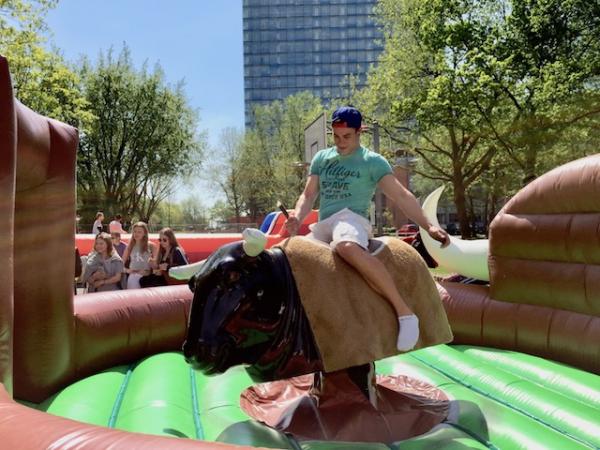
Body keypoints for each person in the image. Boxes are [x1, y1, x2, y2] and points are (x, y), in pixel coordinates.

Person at [284, 106, 450, 352]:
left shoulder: (372, 161)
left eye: (347, 137)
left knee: (345, 245)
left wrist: (428, 226)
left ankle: (404, 313)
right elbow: (308, 196)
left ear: (359, 131)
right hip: (323, 223)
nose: (341, 143)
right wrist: (297, 217)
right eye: (336, 136)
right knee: (292, 258)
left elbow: (402, 196)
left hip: (351, 220)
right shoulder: (322, 159)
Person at [122, 221, 157, 289]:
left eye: (139, 232)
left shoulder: (151, 246)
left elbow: (156, 265)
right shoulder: (130, 246)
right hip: (134, 278)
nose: (136, 234)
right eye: (135, 231)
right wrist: (127, 270)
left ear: (144, 233)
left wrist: (151, 266)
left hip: (147, 279)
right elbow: (120, 264)